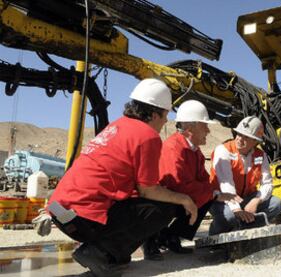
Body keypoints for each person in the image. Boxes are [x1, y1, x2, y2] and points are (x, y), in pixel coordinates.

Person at [47, 78, 198, 277]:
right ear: (153, 114)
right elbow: (148, 189)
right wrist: (185, 199)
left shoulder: (117, 126)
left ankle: (111, 255)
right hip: (84, 218)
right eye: (164, 115)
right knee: (165, 208)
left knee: (139, 203)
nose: (165, 121)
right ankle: (98, 252)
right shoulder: (148, 136)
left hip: (62, 212)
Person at [143, 100, 240, 260]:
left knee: (207, 197)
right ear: (190, 128)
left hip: (181, 196)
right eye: (205, 126)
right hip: (164, 198)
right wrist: (210, 193)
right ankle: (151, 241)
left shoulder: (195, 151)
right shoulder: (173, 147)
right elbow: (176, 184)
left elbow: (203, 180)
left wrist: (211, 193)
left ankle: (171, 236)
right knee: (198, 197)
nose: (208, 131)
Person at [209, 116, 281, 235]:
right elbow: (226, 185)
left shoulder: (260, 155)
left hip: (246, 198)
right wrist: (237, 209)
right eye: (239, 134)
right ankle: (215, 234)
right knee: (230, 216)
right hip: (220, 199)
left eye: (246, 137)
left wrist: (256, 200)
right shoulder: (223, 150)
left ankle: (243, 230)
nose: (239, 139)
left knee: (277, 204)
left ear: (255, 141)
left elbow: (267, 183)